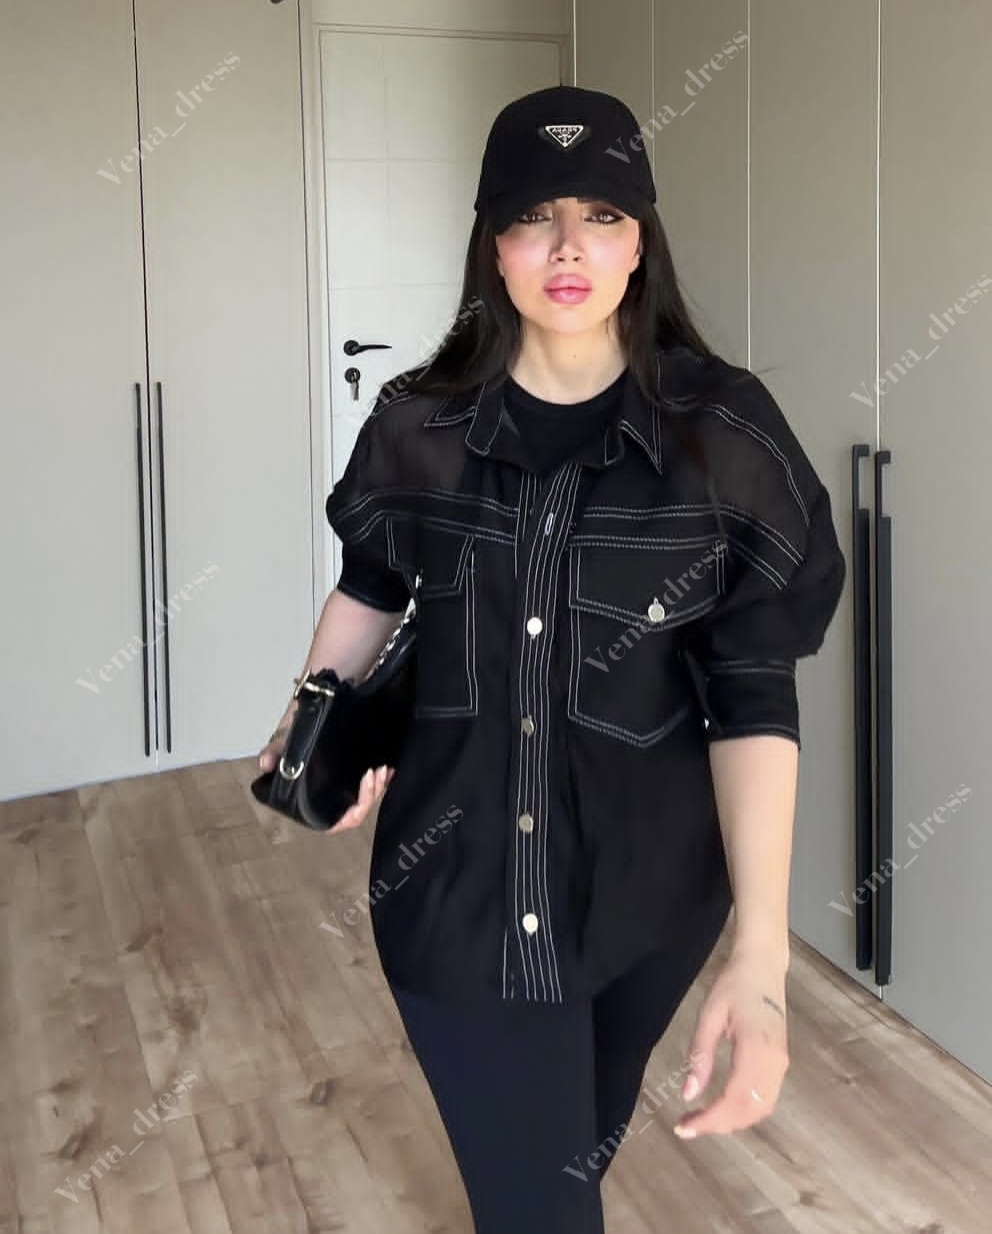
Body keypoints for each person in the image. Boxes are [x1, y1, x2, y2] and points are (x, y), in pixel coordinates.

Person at [256, 84, 847, 1233]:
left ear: (641, 244)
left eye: (603, 215)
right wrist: (311, 718)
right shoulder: (417, 426)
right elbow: (373, 582)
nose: (569, 246)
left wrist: (761, 958)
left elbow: (752, 692)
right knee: (544, 1207)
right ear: (494, 245)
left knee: (570, 1154)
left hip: (651, 900)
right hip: (456, 895)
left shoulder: (726, 439)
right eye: (535, 216)